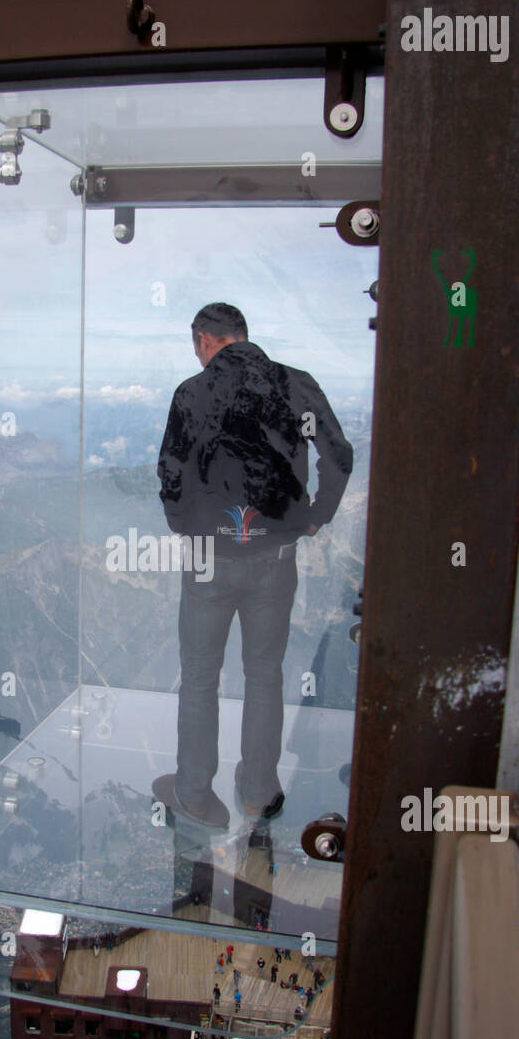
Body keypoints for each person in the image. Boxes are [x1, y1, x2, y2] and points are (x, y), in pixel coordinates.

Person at [153, 303, 352, 828]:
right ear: (242, 336)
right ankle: (257, 792)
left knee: (199, 677)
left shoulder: (191, 394)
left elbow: (170, 471)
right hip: (274, 557)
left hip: (207, 559)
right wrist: (315, 517)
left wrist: (182, 524)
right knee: (264, 675)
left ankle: (195, 793)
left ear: (203, 340)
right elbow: (339, 454)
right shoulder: (297, 384)